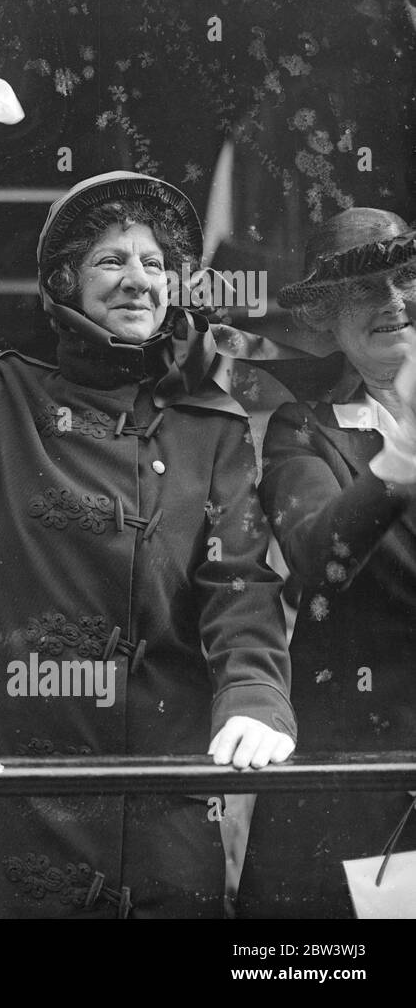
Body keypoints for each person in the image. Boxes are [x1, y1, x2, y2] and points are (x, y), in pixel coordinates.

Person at [0, 62, 296, 918]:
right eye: (110, 260)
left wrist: (254, 693)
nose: (139, 276)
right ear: (65, 285)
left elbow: (242, 585)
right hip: (7, 784)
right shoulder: (4, 396)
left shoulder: (212, 432)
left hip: (159, 789)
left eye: (154, 262)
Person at [238, 209, 416, 918]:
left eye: (405, 279)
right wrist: (402, 461)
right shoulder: (305, 428)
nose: (394, 301)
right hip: (360, 778)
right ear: (328, 323)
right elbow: (319, 556)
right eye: (366, 290)